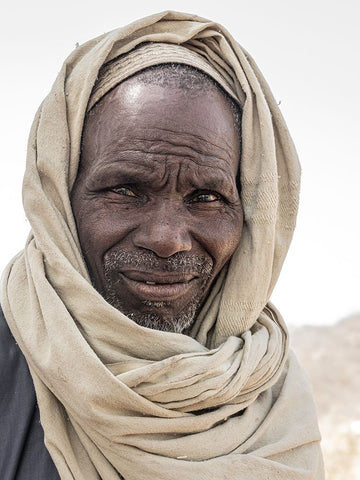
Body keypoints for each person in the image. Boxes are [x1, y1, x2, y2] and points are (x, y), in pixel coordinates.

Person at [0, 11, 324, 480]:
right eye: (125, 190)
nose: (166, 239)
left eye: (207, 197)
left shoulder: (269, 395)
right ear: (60, 200)